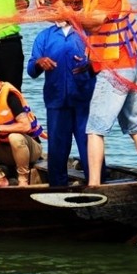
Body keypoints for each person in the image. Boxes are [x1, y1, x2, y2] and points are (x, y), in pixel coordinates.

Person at [34, 0, 137, 186]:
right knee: (135, 125)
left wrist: (68, 15)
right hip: (128, 66)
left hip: (116, 69)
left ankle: (94, 185)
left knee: (94, 130)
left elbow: (95, 20)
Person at [27, 19, 97, 187]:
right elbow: (31, 69)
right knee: (57, 150)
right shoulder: (45, 36)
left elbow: (104, 61)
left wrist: (89, 64)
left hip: (85, 101)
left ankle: (97, 184)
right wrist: (39, 62)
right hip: (56, 101)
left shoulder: (87, 33)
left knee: (89, 146)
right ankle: (57, 188)